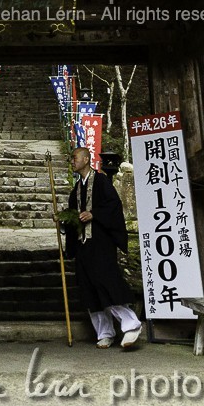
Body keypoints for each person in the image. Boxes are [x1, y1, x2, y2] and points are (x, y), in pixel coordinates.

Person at [63, 145, 143, 349]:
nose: (72, 161)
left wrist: (94, 214)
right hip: (83, 246)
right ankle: (105, 332)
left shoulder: (101, 182)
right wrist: (64, 221)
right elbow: (74, 217)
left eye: (75, 158)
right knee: (89, 290)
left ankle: (132, 325)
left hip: (101, 244)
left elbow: (114, 206)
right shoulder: (76, 190)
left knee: (107, 283)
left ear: (86, 159)